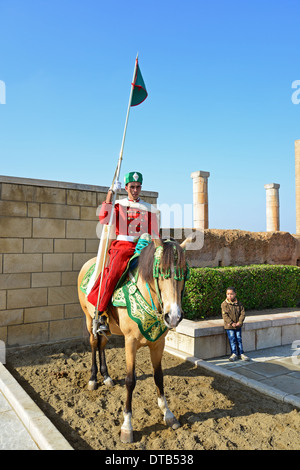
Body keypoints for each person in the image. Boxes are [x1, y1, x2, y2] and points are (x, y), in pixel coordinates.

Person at [87, 171, 160, 331]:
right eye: (132, 187)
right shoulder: (119, 204)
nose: (135, 190)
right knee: (113, 274)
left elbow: (155, 234)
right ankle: (100, 314)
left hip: (144, 247)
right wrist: (110, 193)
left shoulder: (149, 209)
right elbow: (104, 219)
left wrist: (160, 250)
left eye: (138, 187)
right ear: (126, 187)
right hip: (122, 247)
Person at [221, 287, 249, 361]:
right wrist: (231, 323)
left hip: (238, 325)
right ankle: (234, 353)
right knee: (232, 339)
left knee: (239, 339)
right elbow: (225, 315)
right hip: (229, 326)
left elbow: (242, 313)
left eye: (231, 294)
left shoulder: (239, 304)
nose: (229, 296)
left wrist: (240, 322)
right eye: (228, 294)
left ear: (235, 294)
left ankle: (241, 353)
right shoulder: (224, 304)